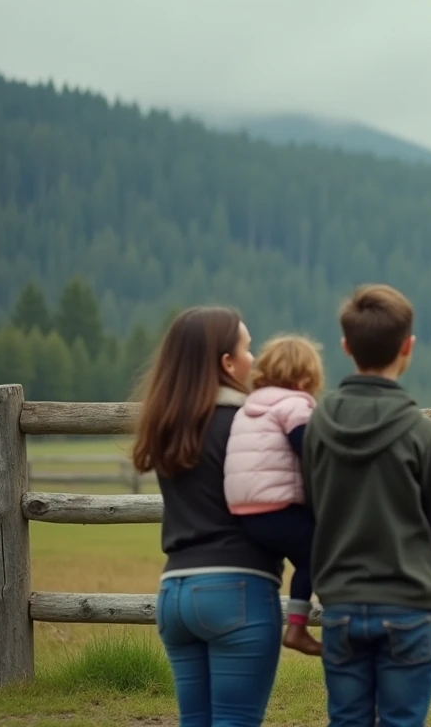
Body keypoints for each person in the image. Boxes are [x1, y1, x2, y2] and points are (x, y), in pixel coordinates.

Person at [300, 283, 431, 727]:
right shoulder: (419, 433)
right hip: (409, 602)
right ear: (408, 348)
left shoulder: (317, 427)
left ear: (346, 347)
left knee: (346, 720)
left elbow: (313, 504)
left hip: (342, 603)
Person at [131, 306, 284, 726]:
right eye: (248, 349)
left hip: (174, 591)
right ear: (227, 363)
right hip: (237, 589)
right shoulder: (246, 424)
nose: (254, 360)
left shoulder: (168, 426)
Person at [224, 333, 325, 656]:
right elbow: (309, 450)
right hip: (277, 507)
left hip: (243, 510)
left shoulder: (248, 408)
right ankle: (297, 626)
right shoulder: (293, 405)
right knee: (317, 553)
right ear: (307, 376)